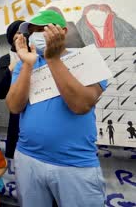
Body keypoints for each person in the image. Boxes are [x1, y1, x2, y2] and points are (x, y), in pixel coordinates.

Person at [6, 10, 107, 206]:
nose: (37, 34)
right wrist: (27, 64)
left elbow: (81, 105)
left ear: (63, 31)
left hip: (74, 164)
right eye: (33, 30)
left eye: (44, 29)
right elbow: (14, 106)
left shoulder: (87, 60)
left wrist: (53, 59)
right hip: (28, 157)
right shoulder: (25, 62)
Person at [0, 20, 24, 158]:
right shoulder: (6, 59)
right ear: (11, 36)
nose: (23, 36)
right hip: (18, 116)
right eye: (18, 32)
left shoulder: (39, 55)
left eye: (26, 32)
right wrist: (11, 68)